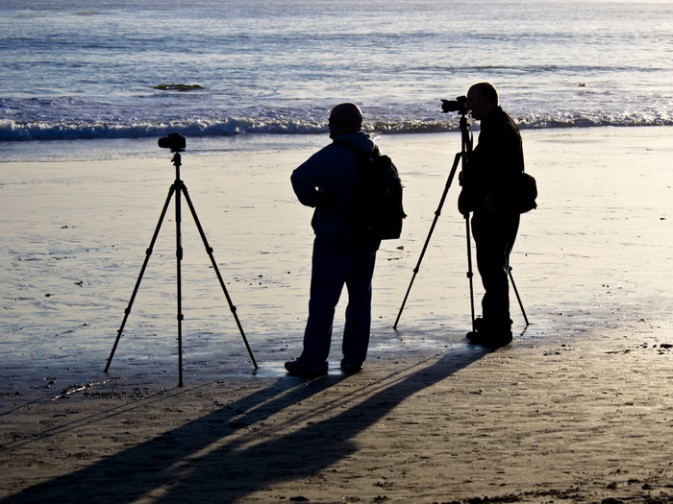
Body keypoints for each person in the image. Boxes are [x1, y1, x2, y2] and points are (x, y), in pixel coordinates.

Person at [285, 103, 382, 377]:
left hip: (336, 237)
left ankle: (314, 359)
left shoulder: (334, 154)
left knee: (323, 300)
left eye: (331, 122)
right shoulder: (373, 150)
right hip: (368, 237)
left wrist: (317, 200)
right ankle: (354, 358)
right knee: (360, 299)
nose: (329, 126)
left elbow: (299, 177)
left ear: (340, 125)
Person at [458, 82, 525, 348]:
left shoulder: (498, 127)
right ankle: (494, 321)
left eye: (472, 100)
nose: (469, 105)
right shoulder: (496, 124)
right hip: (501, 206)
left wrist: (486, 191)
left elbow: (503, 168)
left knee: (492, 267)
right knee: (493, 266)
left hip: (496, 208)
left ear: (486, 100)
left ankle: (499, 328)